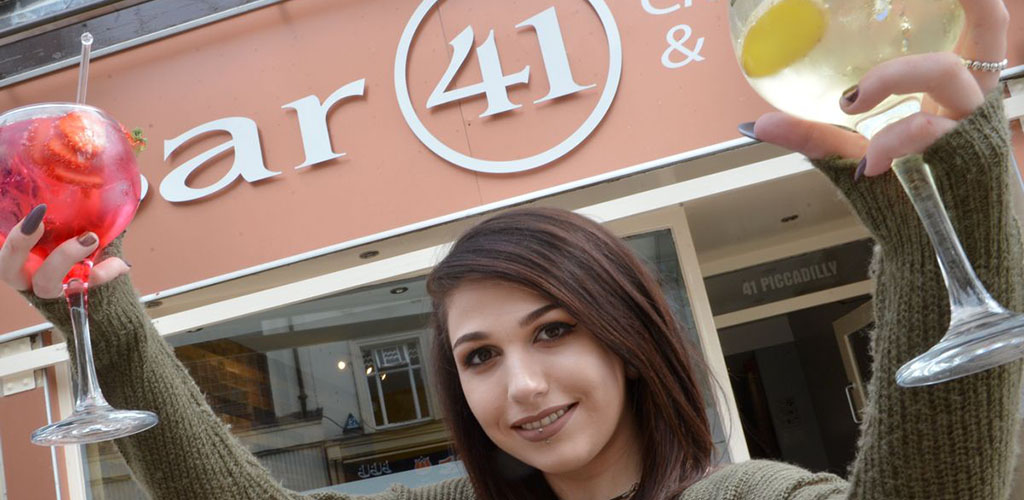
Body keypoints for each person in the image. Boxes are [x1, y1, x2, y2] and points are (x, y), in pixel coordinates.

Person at [1, 0, 1018, 498]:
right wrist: (112, 328)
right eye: (480, 354)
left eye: (554, 329)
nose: (520, 383)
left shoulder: (746, 497)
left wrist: (948, 214)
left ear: (627, 338)